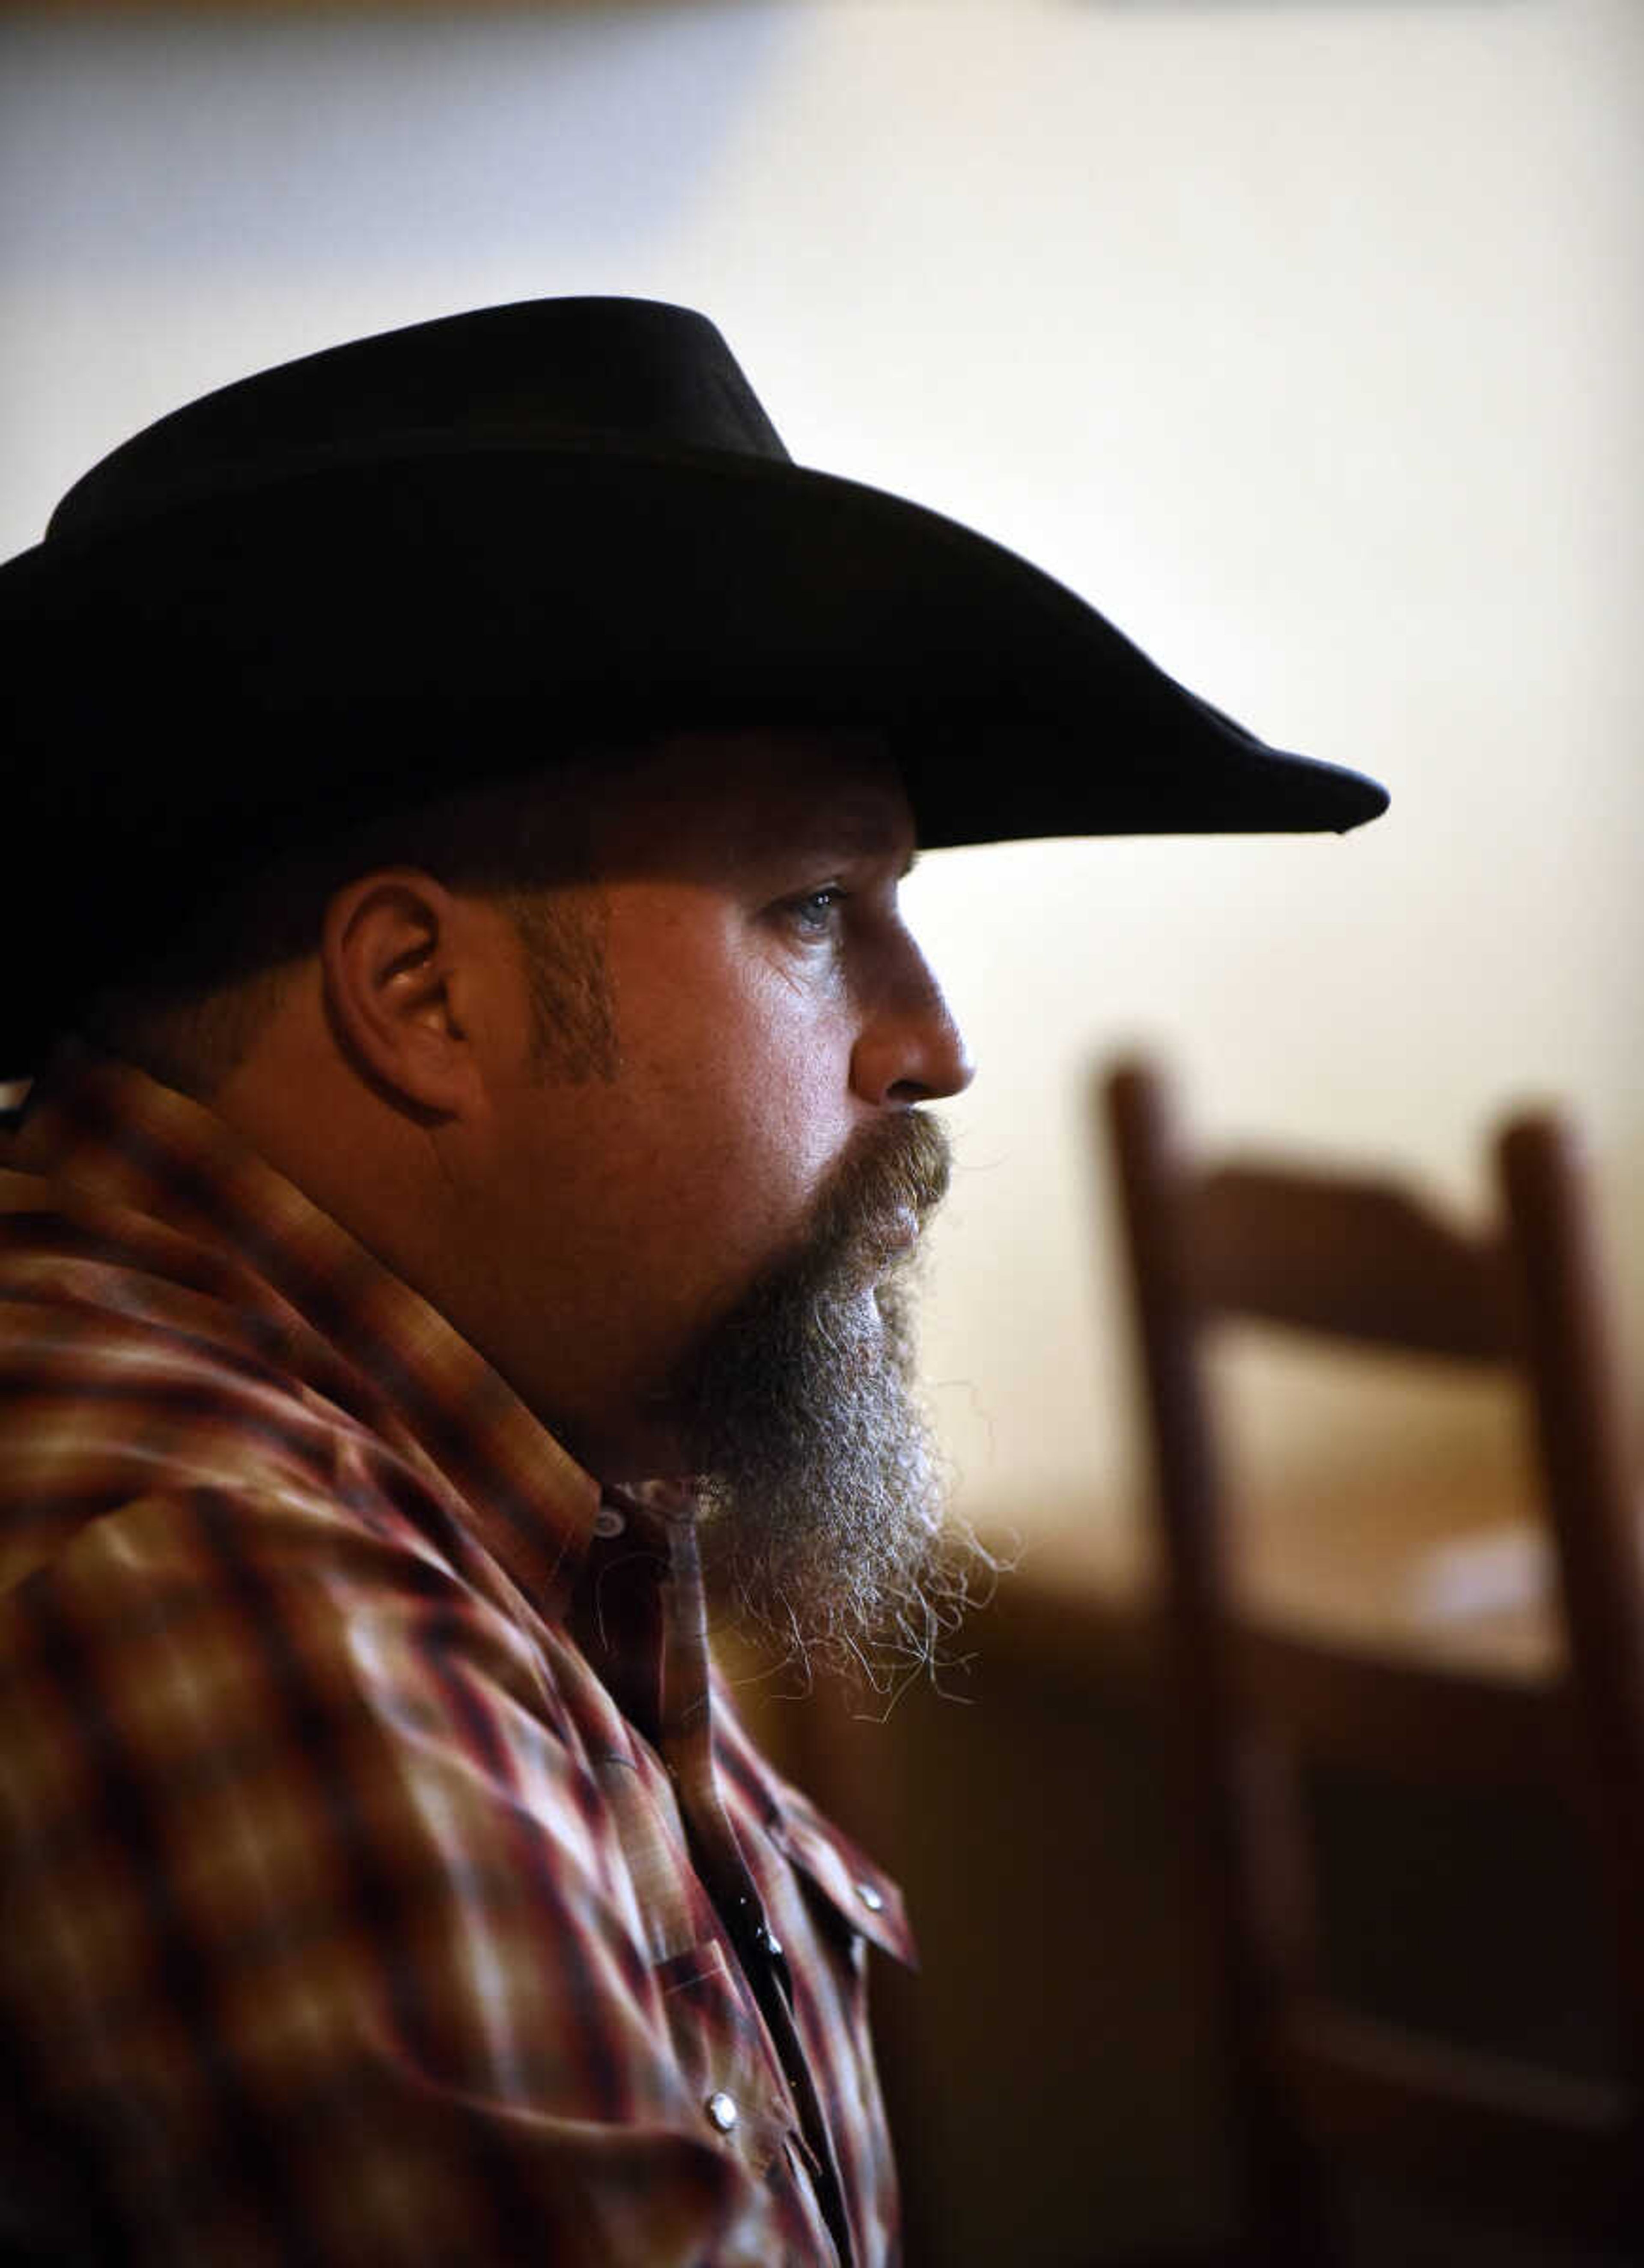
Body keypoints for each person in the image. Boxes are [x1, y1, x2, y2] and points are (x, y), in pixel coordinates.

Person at [0, 298, 1386, 2266]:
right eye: (815, 908)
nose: (932, 1038)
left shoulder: (404, 1476)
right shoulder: (215, 1577)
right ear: (420, 994)